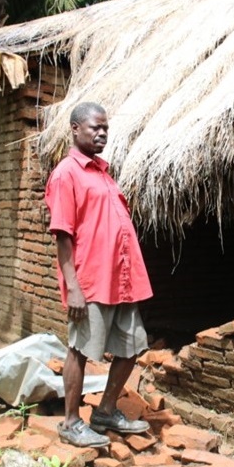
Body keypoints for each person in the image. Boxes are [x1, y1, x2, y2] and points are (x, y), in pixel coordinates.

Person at [44, 102, 153, 448]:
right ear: (75, 129)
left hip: (122, 279)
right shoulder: (66, 173)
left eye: (105, 128)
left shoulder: (103, 173)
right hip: (90, 280)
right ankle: (71, 422)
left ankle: (105, 411)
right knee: (79, 348)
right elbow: (63, 234)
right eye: (95, 127)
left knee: (132, 345)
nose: (102, 133)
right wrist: (72, 287)